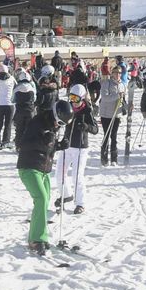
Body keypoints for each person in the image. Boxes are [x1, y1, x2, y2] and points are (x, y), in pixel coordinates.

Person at [18, 95, 65, 255]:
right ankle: (35, 239)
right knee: (41, 198)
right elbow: (23, 144)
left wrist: (58, 146)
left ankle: (40, 237)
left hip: (44, 170)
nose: (59, 126)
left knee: (44, 202)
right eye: (59, 123)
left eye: (62, 125)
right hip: (29, 167)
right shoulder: (37, 122)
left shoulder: (51, 126)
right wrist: (45, 141)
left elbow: (47, 147)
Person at [55, 84, 98, 214]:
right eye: (71, 98)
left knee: (77, 176)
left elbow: (95, 129)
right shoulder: (68, 107)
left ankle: (80, 203)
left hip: (80, 147)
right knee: (59, 174)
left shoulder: (87, 110)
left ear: (82, 98)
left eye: (76, 99)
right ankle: (67, 195)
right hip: (67, 145)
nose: (73, 101)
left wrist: (86, 126)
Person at [97, 67, 126, 166]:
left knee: (114, 136)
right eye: (116, 72)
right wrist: (118, 95)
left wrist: (126, 106)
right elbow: (105, 98)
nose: (118, 74)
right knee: (106, 135)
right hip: (106, 114)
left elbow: (123, 99)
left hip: (116, 114)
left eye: (120, 73)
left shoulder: (122, 85)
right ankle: (104, 158)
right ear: (112, 74)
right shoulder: (106, 83)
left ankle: (114, 158)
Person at [0, 65, 19, 152]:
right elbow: (16, 88)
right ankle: (6, 141)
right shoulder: (12, 79)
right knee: (8, 124)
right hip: (10, 104)